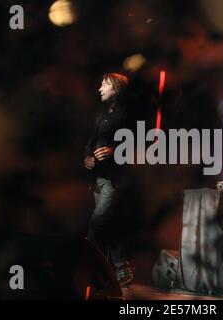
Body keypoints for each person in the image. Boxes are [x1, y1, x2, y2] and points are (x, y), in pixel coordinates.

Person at [84, 73, 135, 288]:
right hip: (98, 176)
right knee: (106, 223)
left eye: (104, 85)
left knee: (98, 221)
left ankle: (85, 266)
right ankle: (120, 268)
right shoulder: (101, 114)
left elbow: (139, 141)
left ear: (116, 89)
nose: (100, 89)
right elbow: (91, 140)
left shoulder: (128, 115)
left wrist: (114, 151)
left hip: (116, 177)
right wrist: (86, 157)